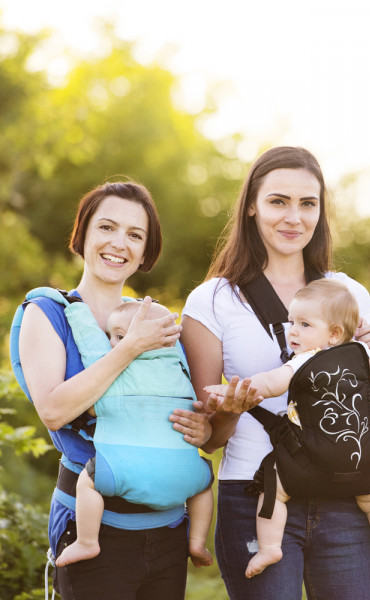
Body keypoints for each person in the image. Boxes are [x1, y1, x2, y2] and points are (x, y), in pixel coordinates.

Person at [181, 146, 370, 600]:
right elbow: (208, 436)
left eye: (308, 203)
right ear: (252, 207)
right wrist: (234, 410)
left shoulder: (347, 292)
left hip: (346, 492)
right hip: (257, 493)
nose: (293, 217)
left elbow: (361, 391)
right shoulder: (212, 300)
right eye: (278, 201)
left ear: (320, 210)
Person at [11, 180, 217, 600]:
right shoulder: (48, 313)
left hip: (167, 528)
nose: (118, 243)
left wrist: (205, 427)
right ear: (83, 233)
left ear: (145, 252)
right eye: (106, 227)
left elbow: (184, 410)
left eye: (134, 235)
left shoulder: (158, 321)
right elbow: (53, 410)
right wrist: (131, 347)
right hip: (93, 526)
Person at [205, 279, 370, 585]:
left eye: (304, 324)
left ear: (335, 332)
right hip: (365, 461)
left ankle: (270, 547)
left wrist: (229, 389)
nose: (293, 331)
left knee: (272, 483)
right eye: (291, 322)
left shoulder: (302, 361)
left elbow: (269, 384)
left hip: (315, 461)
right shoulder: (362, 355)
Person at [55, 300, 214, 569]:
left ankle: (86, 541)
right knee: (204, 484)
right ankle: (197, 541)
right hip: (183, 476)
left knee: (87, 482)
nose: (111, 343)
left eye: (118, 336)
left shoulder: (118, 371)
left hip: (124, 471)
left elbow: (89, 344)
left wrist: (75, 307)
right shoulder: (178, 369)